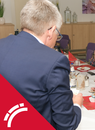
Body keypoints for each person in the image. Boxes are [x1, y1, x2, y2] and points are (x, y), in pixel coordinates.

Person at [0, 0, 83, 130]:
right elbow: (66, 125)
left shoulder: (2, 45)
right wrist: (77, 105)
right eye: (58, 34)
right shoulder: (55, 61)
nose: (57, 39)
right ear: (51, 31)